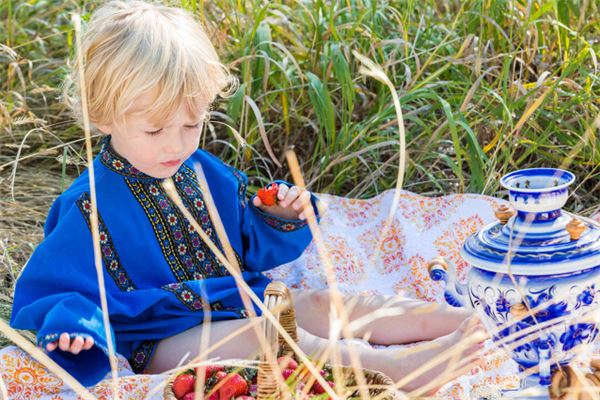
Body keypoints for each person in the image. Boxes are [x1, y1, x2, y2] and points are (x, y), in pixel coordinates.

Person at [10, 0, 485, 391]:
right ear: (103, 116)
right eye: (155, 129)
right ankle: (395, 371)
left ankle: (458, 322)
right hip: (159, 338)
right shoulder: (87, 206)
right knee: (270, 336)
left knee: (319, 304)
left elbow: (249, 244)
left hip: (237, 298)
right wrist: (71, 329)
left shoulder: (199, 170)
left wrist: (279, 216)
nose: (176, 145)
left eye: (191, 124)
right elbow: (55, 288)